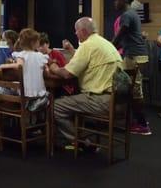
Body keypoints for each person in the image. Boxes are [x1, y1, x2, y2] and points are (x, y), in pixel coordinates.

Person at [49, 17, 122, 148]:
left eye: (76, 31)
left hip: (101, 100)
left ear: (82, 31)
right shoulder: (104, 42)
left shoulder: (88, 45)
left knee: (55, 106)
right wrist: (71, 50)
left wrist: (53, 67)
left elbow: (67, 74)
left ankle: (83, 143)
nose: (75, 34)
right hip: (119, 100)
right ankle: (77, 136)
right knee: (71, 99)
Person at [111, 0, 152, 135]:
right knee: (133, 89)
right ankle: (139, 121)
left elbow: (119, 36)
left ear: (124, 1)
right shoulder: (131, 14)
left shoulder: (127, 15)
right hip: (136, 55)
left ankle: (142, 125)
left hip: (134, 56)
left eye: (117, 0)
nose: (115, 3)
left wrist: (108, 49)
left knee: (133, 91)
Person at [0, 28, 50, 110]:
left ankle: (28, 104)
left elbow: (19, 65)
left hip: (25, 93)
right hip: (39, 92)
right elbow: (47, 71)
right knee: (43, 92)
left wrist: (2, 66)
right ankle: (38, 101)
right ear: (34, 43)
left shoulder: (21, 55)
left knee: (4, 89)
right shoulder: (41, 56)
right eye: (38, 41)